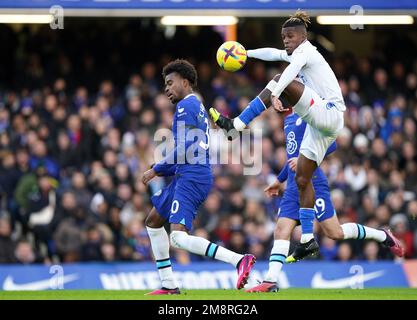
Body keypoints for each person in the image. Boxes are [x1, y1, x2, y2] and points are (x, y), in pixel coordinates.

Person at [210, 10, 345, 260]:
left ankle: (237, 124)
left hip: (329, 112)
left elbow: (290, 68)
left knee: (277, 77)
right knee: (303, 179)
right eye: (283, 36)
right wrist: (246, 54)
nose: (286, 40)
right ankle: (307, 239)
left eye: (290, 36)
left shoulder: (306, 52)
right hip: (319, 124)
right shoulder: (296, 52)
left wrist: (276, 92)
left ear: (303, 37)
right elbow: (274, 54)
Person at [244, 112, 404, 293]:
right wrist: (280, 180)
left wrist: (306, 160)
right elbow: (292, 156)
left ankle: (382, 235)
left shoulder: (310, 114)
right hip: (292, 185)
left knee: (334, 232)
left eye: (280, 96)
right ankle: (270, 281)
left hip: (313, 182)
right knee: (281, 230)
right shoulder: (288, 120)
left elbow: (331, 143)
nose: (277, 101)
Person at [142, 59, 256, 295]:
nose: (167, 88)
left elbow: (185, 147)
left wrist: (157, 169)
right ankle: (168, 284)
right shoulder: (195, 105)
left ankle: (238, 260)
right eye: (165, 84)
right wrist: (162, 166)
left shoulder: (186, 106)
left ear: (185, 82)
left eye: (171, 83)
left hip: (192, 177)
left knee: (179, 239)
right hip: (187, 172)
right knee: (153, 222)